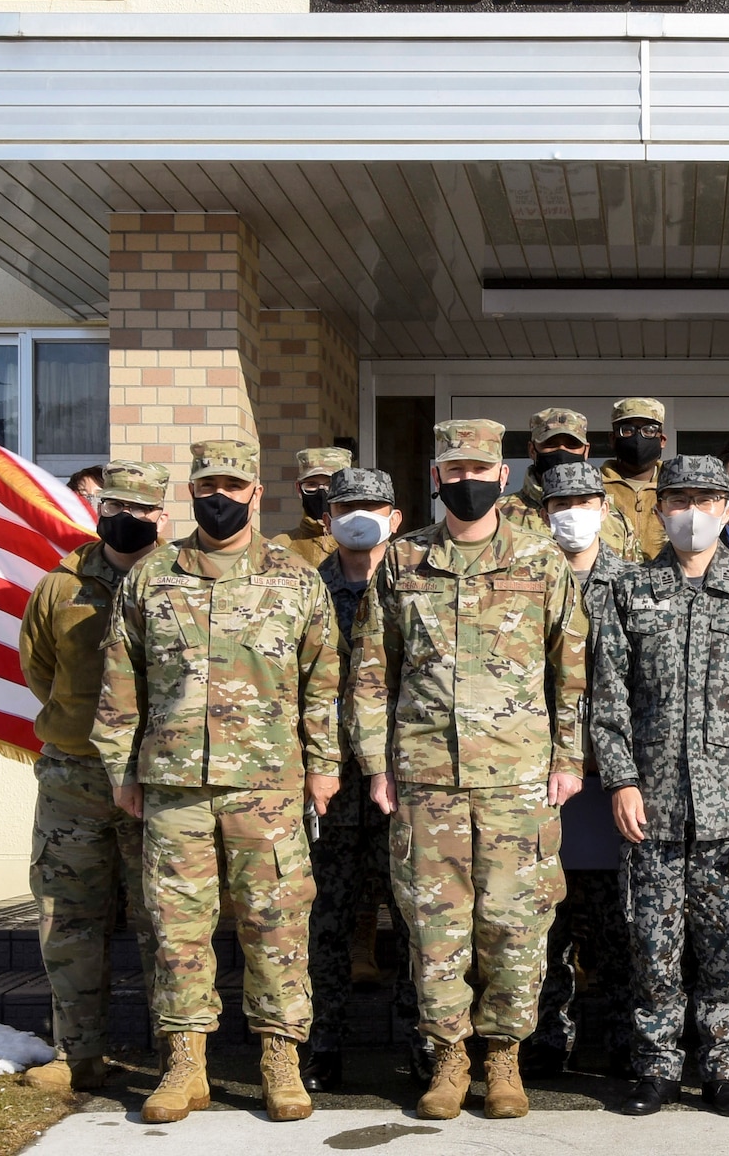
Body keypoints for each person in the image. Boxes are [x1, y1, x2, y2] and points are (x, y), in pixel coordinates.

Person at [93, 440, 343, 1125]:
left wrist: (324, 768)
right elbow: (121, 683)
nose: (220, 497)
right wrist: (121, 769)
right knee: (176, 929)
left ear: (257, 494)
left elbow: (324, 684)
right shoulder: (152, 578)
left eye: (233, 486)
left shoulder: (295, 579)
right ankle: (184, 1063)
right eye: (208, 485)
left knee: (277, 925)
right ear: (191, 492)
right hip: (174, 787)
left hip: (268, 785)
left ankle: (280, 1059)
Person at [347, 419, 590, 1121]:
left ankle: (504, 1056)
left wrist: (569, 760)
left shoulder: (541, 560)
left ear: (504, 477)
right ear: (435, 478)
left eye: (481, 469)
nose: (469, 481)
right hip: (425, 778)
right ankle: (449, 1057)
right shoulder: (402, 560)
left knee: (516, 926)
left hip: (519, 780)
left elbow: (569, 671)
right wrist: (375, 764)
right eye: (455, 471)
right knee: (434, 929)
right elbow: (371, 671)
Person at [593, 455, 729, 1119]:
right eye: (677, 499)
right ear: (659, 509)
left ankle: (723, 1066)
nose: (691, 512)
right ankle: (656, 1064)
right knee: (651, 942)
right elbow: (607, 698)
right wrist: (621, 779)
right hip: (649, 806)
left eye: (706, 500)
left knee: (726, 944)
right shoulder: (627, 589)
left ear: (725, 507)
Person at [19, 460, 169, 1093]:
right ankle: (77, 1054)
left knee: (167, 923)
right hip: (75, 777)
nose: (128, 520)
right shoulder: (61, 584)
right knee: (67, 916)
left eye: (142, 510)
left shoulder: (181, 580)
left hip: (162, 779)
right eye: (116, 508)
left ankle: (178, 1058)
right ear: (100, 510)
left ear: (164, 515)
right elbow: (39, 667)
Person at [522, 459, 637, 1080]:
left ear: (603, 507)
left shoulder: (634, 581)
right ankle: (548, 1036)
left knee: (615, 916)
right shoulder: (525, 576)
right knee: (549, 918)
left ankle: (621, 1034)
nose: (571, 512)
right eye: (559, 503)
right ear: (543, 512)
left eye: (584, 501)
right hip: (542, 770)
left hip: (609, 773)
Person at [302, 467, 411, 1093]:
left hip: (414, 779)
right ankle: (323, 1047)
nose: (359, 517)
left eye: (373, 506)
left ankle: (421, 1048)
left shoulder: (420, 584)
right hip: (332, 782)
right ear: (327, 519)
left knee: (421, 918)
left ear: (395, 518)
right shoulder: (302, 590)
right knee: (329, 918)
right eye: (346, 507)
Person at [497, 407, 637, 559]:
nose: (561, 451)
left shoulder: (613, 519)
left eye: (571, 445)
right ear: (532, 450)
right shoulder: (499, 514)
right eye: (551, 444)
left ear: (586, 451)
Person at [602, 398, 668, 560]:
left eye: (649, 430)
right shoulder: (592, 489)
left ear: (662, 440)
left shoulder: (675, 489)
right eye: (627, 430)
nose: (638, 437)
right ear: (612, 439)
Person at [274, 446, 355, 567]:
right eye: (311, 484)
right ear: (299, 489)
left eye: (331, 484)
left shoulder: (363, 543)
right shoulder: (280, 546)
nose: (322, 491)